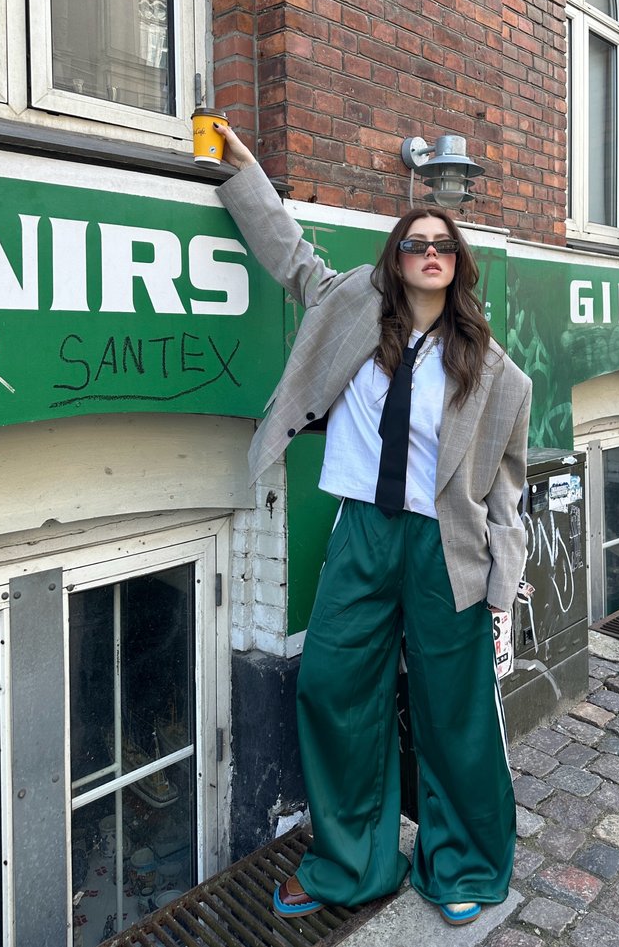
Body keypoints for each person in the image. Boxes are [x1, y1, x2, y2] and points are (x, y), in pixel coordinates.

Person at [214, 123, 532, 928]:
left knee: (451, 708)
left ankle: (461, 859)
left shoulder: (496, 374)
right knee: (331, 685)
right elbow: (291, 256)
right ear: (395, 256)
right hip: (363, 531)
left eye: (443, 246)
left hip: (443, 548)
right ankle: (355, 861)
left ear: (458, 266)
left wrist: (503, 589)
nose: (429, 251)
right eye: (415, 241)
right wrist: (244, 170)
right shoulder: (353, 303)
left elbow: (505, 494)